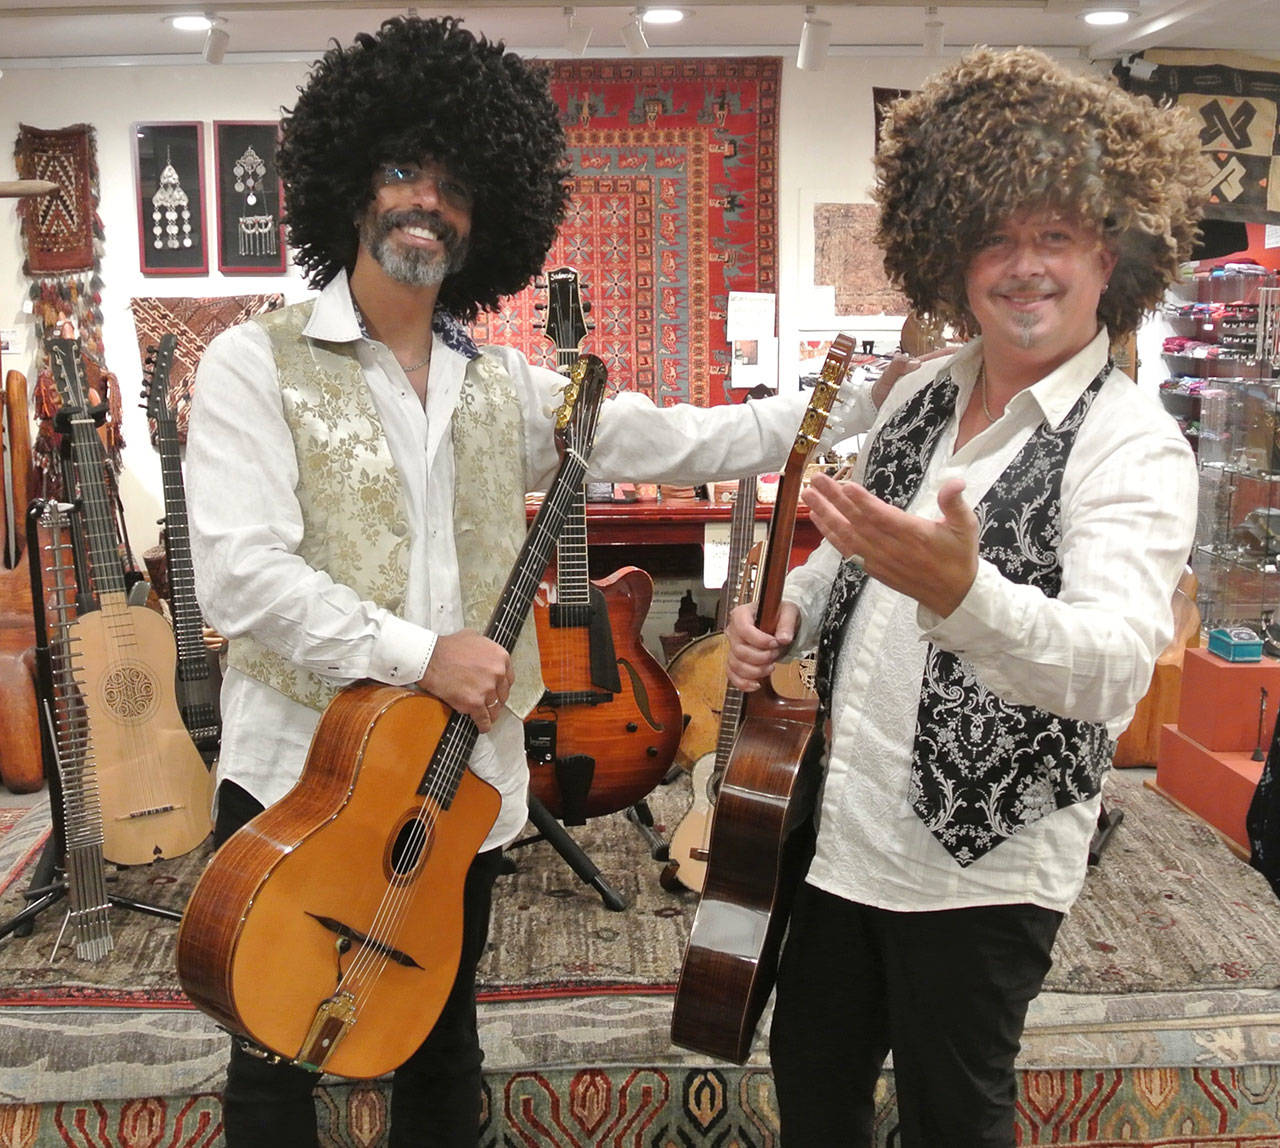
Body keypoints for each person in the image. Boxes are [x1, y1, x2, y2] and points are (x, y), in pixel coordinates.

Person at [183, 15, 864, 1148]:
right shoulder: (253, 363)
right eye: (404, 170)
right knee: (272, 1060)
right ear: (350, 181)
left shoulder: (506, 383)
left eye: (453, 185)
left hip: (462, 789)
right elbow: (241, 575)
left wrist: (846, 404)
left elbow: (672, 436)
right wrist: (422, 655)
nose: (427, 202)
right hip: (298, 777)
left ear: (484, 216)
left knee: (442, 1041)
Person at [725, 46, 1209, 1147]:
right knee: (814, 1090)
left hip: (980, 868)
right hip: (843, 832)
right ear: (950, 255)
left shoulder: (1133, 448)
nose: (1023, 266)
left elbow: (1111, 667)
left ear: (1109, 253)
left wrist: (964, 594)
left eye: (1053, 235)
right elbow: (842, 548)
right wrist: (792, 608)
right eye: (995, 236)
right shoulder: (920, 392)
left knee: (953, 1116)